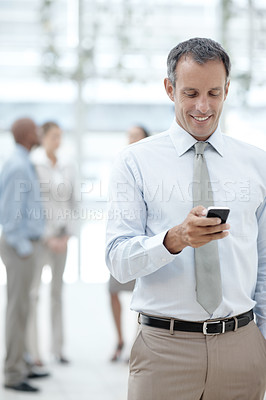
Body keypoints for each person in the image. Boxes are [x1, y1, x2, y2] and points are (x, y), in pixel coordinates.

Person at [106, 38, 266, 400]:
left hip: (242, 348)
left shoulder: (258, 164)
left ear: (227, 89)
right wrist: (174, 238)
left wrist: (262, 342)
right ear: (169, 88)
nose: (203, 106)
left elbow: (265, 262)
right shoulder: (134, 162)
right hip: (164, 350)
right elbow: (118, 261)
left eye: (214, 92)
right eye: (191, 92)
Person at [0, 118, 49, 393]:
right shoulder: (18, 166)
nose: (40, 133)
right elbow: (9, 214)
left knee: (24, 310)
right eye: (38, 130)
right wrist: (24, 248)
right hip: (20, 248)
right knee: (17, 311)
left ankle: (24, 363)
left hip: (27, 246)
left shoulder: (23, 161)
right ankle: (13, 373)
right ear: (29, 135)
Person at [27, 121, 78, 366]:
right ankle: (34, 352)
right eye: (54, 136)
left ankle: (58, 348)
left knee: (57, 294)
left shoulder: (68, 164)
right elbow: (34, 205)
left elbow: (74, 202)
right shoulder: (34, 164)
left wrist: (66, 235)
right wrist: (48, 237)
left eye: (60, 136)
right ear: (43, 137)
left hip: (62, 239)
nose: (58, 141)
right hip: (41, 240)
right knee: (34, 293)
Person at [109, 125, 149, 362]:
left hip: (144, 245)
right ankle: (119, 340)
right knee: (112, 291)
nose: (131, 139)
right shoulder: (122, 163)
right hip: (123, 242)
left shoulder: (149, 164)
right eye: (129, 135)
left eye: (136, 136)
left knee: (142, 294)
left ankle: (137, 343)